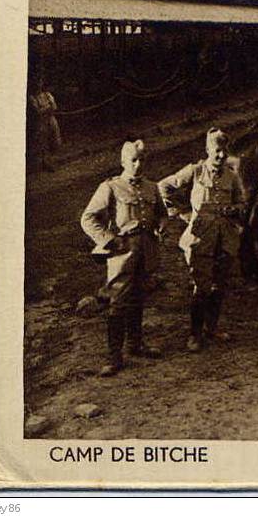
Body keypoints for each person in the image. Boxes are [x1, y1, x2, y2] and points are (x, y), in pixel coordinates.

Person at [81, 140, 168, 376]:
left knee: (139, 296)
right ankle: (114, 356)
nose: (138, 165)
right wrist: (109, 240)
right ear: (123, 162)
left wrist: (161, 226)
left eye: (142, 160)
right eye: (133, 160)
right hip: (123, 253)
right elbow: (88, 218)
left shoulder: (152, 187)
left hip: (146, 251)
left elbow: (161, 214)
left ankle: (136, 345)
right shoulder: (111, 187)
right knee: (117, 302)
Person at [158, 128, 248, 352]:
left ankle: (212, 327)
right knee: (201, 286)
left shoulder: (232, 176)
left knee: (219, 285)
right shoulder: (196, 171)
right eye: (217, 151)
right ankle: (195, 334)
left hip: (225, 238)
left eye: (224, 151)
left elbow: (243, 203)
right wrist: (181, 213)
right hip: (201, 239)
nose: (221, 156)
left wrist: (233, 209)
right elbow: (164, 187)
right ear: (208, 150)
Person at [28, 77, 62, 171]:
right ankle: (46, 163)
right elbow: (37, 111)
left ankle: (52, 160)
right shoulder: (32, 97)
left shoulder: (47, 94)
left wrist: (46, 108)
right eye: (36, 83)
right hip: (41, 122)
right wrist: (48, 107)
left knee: (55, 140)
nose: (38, 85)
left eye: (40, 83)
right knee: (43, 142)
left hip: (51, 119)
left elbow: (54, 107)